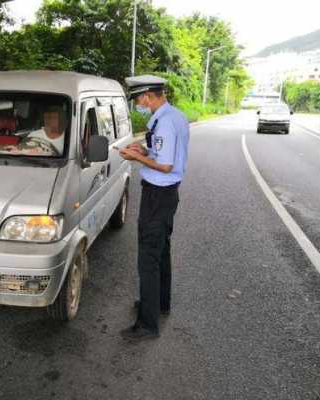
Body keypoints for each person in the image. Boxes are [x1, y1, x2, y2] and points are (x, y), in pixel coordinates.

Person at [118, 75, 190, 340]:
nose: (138, 104)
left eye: (138, 99)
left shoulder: (166, 123)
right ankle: (159, 304)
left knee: (148, 257)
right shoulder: (174, 116)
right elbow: (161, 154)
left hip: (158, 195)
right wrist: (145, 149)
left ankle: (147, 325)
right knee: (161, 251)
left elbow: (166, 166)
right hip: (166, 194)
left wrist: (135, 157)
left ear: (148, 96)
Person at [0, 106, 65, 156]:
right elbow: (22, 151)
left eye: (53, 117)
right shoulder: (34, 135)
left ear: (61, 119)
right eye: (47, 117)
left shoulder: (69, 138)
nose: (49, 120)